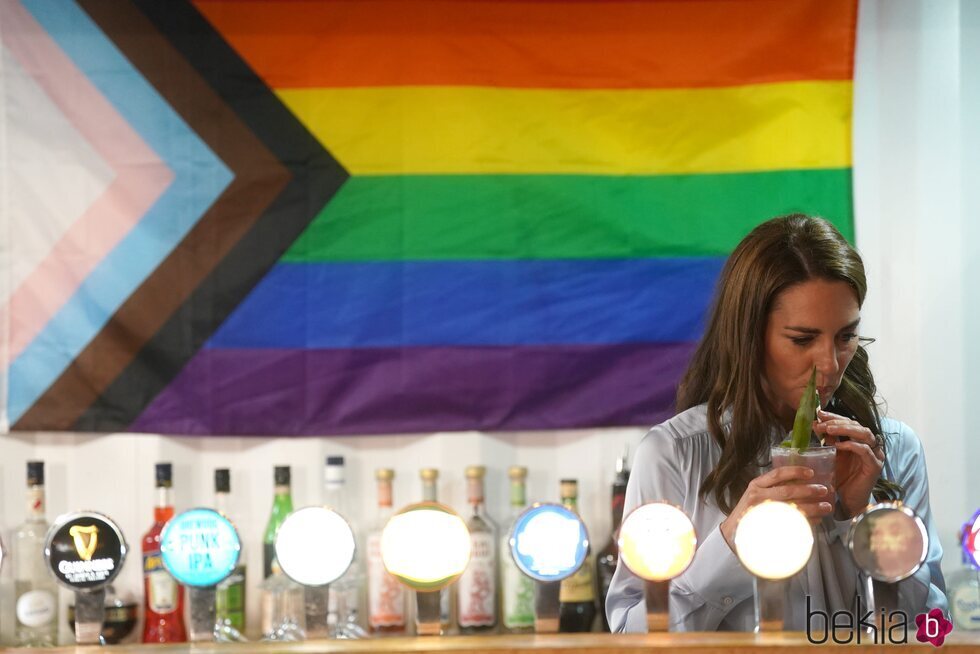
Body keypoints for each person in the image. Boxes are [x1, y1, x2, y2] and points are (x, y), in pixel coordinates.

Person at [605, 214, 947, 632]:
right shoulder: (675, 453)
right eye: (802, 339)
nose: (829, 364)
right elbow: (631, 634)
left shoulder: (893, 448)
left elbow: (931, 627)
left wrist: (866, 519)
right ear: (749, 337)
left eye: (845, 336)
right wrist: (731, 542)